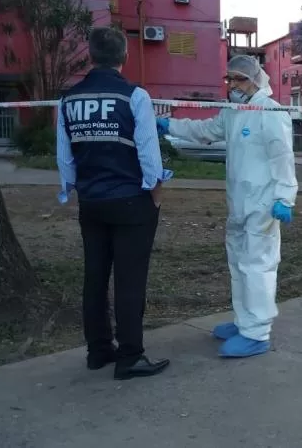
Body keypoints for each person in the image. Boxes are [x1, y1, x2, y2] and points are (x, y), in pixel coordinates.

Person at [156, 55, 298, 358]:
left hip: (263, 204)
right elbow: (207, 130)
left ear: (255, 79)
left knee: (257, 266)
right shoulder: (234, 111)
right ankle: (244, 321)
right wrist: (171, 125)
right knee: (237, 262)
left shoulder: (270, 112)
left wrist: (285, 198)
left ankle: (257, 333)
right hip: (238, 202)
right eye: (229, 79)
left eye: (239, 79)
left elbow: (282, 157)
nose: (232, 85)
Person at [56, 26, 173, 380]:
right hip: (130, 200)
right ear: (123, 57)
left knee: (94, 277)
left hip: (91, 202)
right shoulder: (134, 96)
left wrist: (72, 190)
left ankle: (98, 350)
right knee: (129, 280)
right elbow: (149, 154)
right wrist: (155, 194)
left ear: (90, 56)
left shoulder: (69, 99)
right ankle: (130, 357)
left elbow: (65, 156)